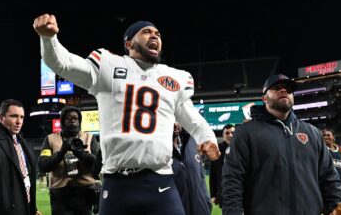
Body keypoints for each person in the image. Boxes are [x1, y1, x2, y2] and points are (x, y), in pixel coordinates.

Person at [33, 14, 219, 215]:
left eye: (157, 33)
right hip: (117, 183)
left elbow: (192, 118)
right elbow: (64, 64)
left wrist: (208, 139)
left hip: (160, 180)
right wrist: (48, 38)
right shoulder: (108, 65)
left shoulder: (174, 77)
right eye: (146, 32)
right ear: (129, 43)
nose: (154, 35)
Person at [221, 74, 341, 215]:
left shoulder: (313, 133)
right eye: (276, 88)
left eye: (288, 89)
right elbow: (232, 179)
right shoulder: (245, 132)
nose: (283, 90)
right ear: (264, 98)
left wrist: (337, 204)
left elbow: (329, 176)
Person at [38, 106, 101, 215]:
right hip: (60, 196)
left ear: (79, 121)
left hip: (84, 194)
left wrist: (82, 154)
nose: (72, 120)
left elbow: (98, 164)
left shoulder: (90, 137)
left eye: (75, 118)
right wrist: (61, 153)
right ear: (62, 121)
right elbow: (43, 165)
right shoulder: (50, 138)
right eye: (68, 118)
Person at [172, 122, 212, 215]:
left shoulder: (192, 141)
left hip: (200, 209)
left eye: (178, 119)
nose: (176, 123)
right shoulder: (159, 149)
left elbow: (201, 176)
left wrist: (206, 203)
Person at [209, 123, 235, 207]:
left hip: (242, 192)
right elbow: (213, 174)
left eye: (232, 133)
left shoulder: (242, 148)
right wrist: (213, 194)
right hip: (224, 194)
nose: (230, 135)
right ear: (223, 135)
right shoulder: (217, 150)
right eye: (227, 133)